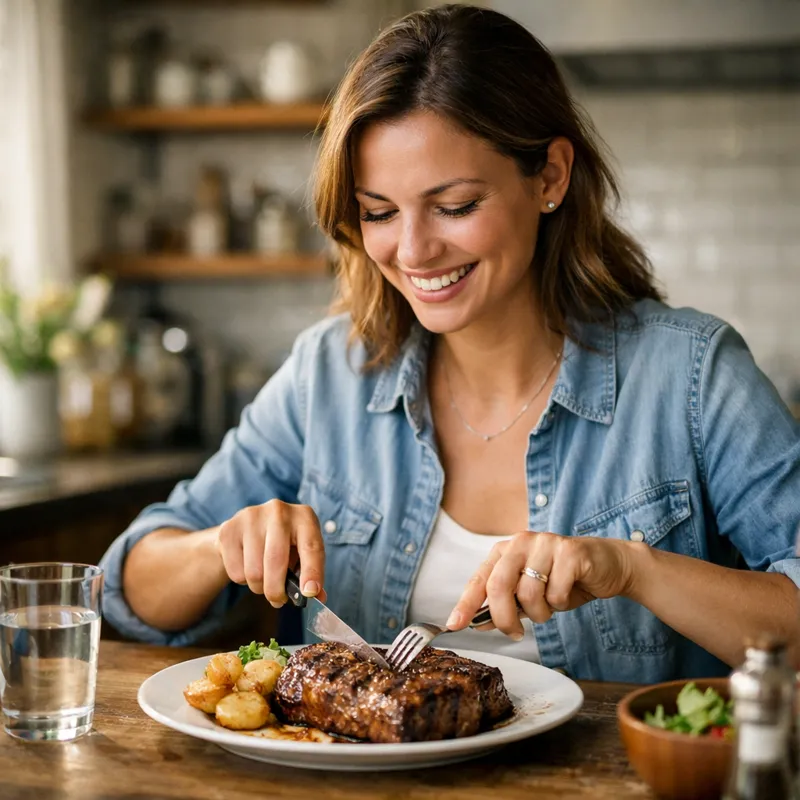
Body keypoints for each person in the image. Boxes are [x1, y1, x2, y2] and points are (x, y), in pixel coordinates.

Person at [99, 4, 800, 683]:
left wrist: (637, 571)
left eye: (455, 206)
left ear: (550, 177)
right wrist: (217, 546)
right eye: (379, 212)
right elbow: (125, 590)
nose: (413, 251)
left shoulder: (692, 376)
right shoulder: (329, 376)